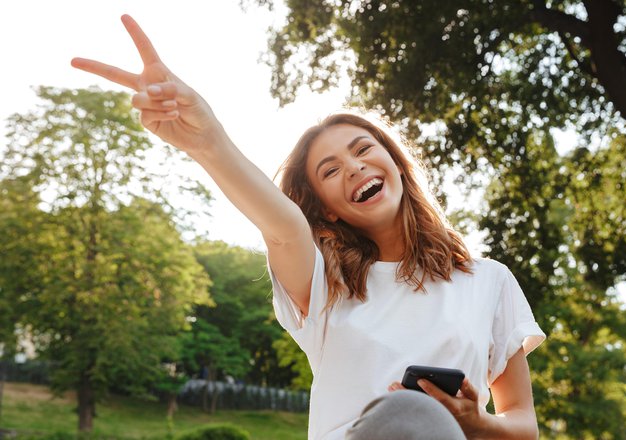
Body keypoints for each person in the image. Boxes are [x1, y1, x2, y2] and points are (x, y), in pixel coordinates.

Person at [72, 15, 545, 440]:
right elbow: (282, 226)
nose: (354, 168)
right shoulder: (327, 283)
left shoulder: (489, 281)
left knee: (421, 418)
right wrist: (206, 140)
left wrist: (475, 423)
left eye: (362, 150)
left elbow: (522, 420)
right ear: (329, 211)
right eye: (331, 170)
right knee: (405, 413)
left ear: (395, 164)